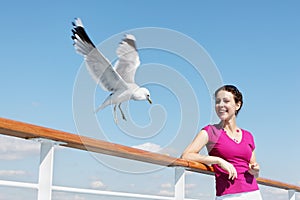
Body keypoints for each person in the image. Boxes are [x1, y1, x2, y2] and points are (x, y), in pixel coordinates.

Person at [181, 85, 262, 199]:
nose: (221, 105)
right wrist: (218, 161)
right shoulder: (210, 131)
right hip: (227, 195)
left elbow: (253, 170)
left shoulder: (248, 136)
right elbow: (186, 156)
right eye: (218, 102)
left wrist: (254, 169)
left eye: (226, 101)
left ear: (237, 105)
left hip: (253, 193)